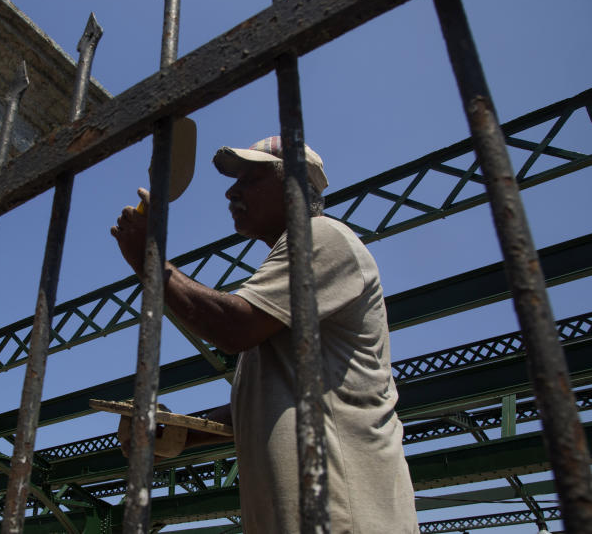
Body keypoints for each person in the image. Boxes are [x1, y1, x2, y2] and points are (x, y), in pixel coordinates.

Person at [111, 136, 418, 533]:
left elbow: (234, 326)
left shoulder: (323, 236)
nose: (230, 190)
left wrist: (148, 260)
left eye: (251, 178)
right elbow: (271, 404)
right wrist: (183, 433)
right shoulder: (285, 285)